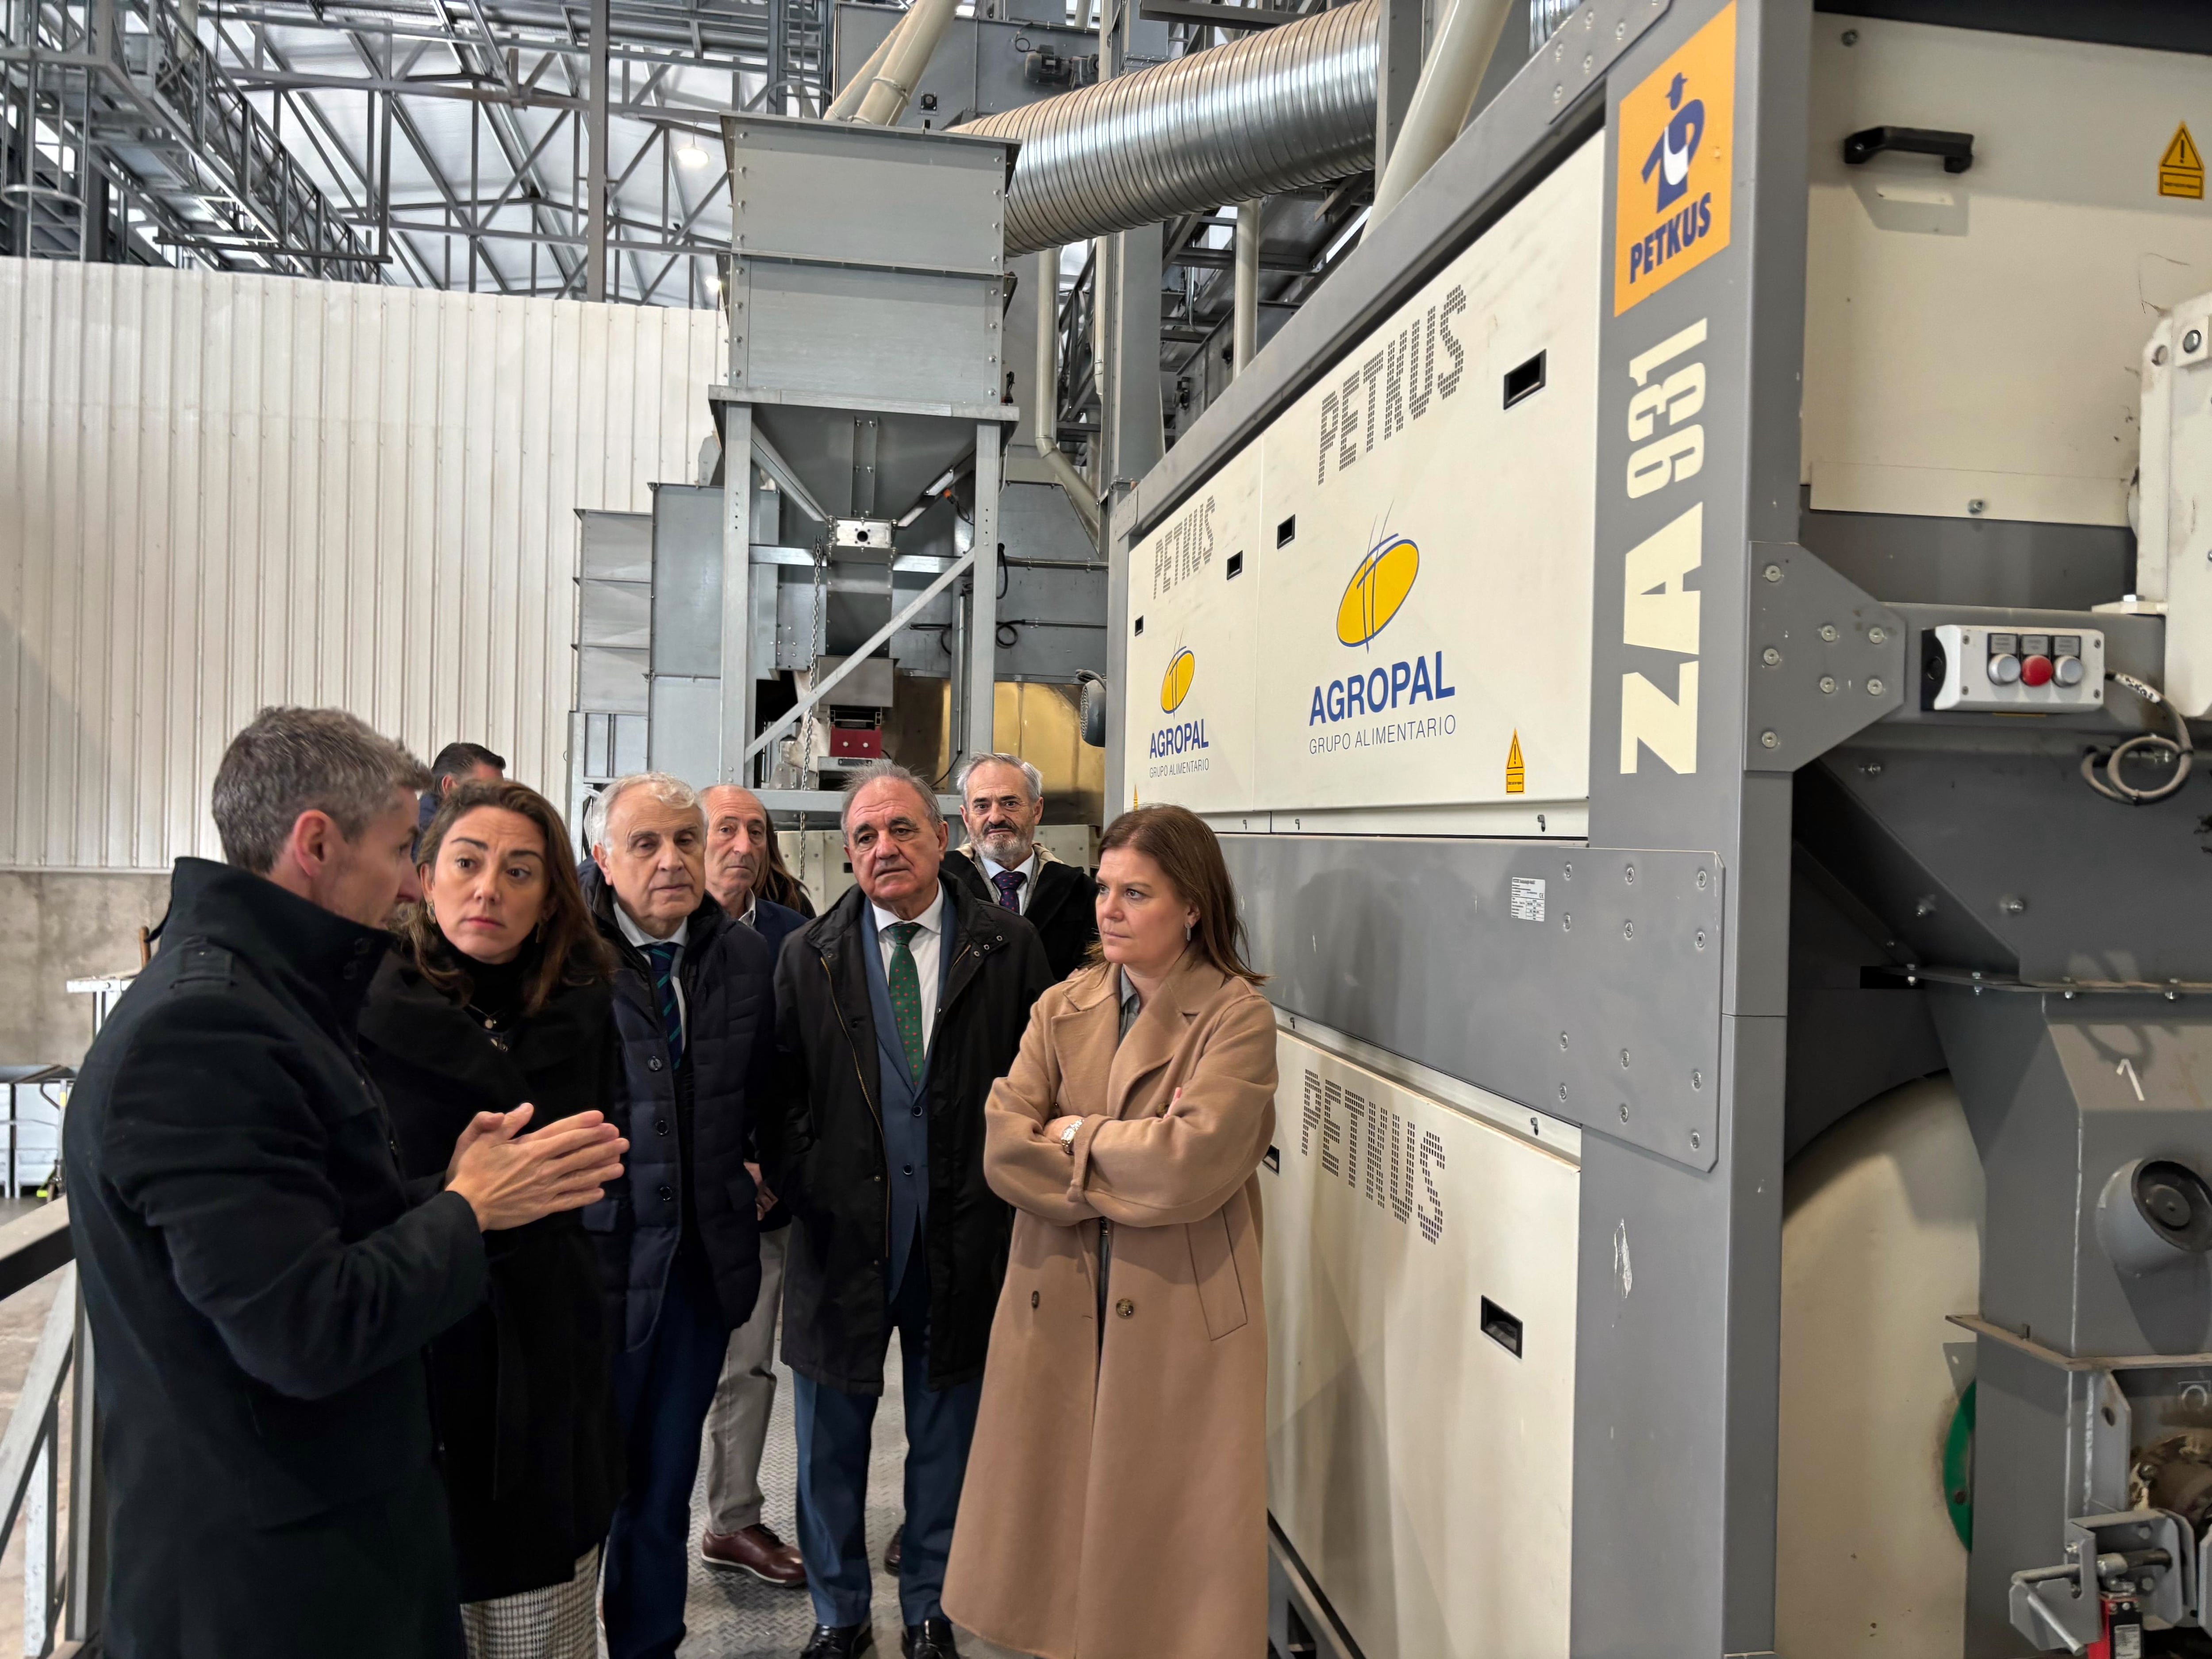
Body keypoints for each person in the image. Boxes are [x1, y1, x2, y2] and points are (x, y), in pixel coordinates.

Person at [64, 706, 627, 1659]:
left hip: (330, 1539)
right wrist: (466, 1209)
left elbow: (308, 1237)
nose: (414, 880)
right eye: (408, 849)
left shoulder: (265, 996)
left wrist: (445, 1191)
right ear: (316, 844)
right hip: (272, 1582)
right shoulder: (206, 1032)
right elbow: (306, 1329)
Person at [942, 803, 1279, 1659]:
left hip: (1178, 1312)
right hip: (1057, 1295)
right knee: (1051, 1525)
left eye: (1138, 893)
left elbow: (1191, 1165)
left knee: (1162, 1538)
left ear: (1193, 905)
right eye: (1104, 889)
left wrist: (1074, 1136)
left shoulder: (1237, 1017)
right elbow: (1003, 1149)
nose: (1109, 910)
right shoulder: (1064, 1004)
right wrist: (1117, 1158)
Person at [764, 760, 1052, 1659]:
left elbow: (1040, 1083)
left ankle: (931, 1607)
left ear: (940, 837)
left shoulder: (1006, 951)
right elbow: (779, 1097)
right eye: (864, 837)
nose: (883, 848)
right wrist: (811, 1182)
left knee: (946, 1439)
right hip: (842, 1242)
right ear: (847, 856)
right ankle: (839, 1613)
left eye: (901, 830)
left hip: (963, 1235)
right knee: (827, 1446)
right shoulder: (805, 957)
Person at [360, 780, 626, 1659]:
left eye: (520, 872)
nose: (490, 890)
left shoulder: (585, 1007)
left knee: (537, 1617)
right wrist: (465, 1195)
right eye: (468, 864)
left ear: (551, 897)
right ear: (425, 878)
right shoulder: (365, 1008)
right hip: (411, 1350)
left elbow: (597, 1162)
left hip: (545, 1354)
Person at [584, 772, 778, 1659]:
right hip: (589, 1282)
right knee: (577, 1497)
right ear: (601, 857)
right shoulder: (562, 959)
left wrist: (771, 1168)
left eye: (686, 842)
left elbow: (773, 1089)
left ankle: (646, 1646)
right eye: (646, 844)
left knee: (661, 1497)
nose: (672, 861)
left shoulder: (740, 958)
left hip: (698, 1278)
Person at [695, 784, 809, 1588]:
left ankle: (733, 1520)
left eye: (756, 830)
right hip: (670, 1193)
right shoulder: (643, 934)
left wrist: (772, 1163)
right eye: (725, 828)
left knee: (749, 1361)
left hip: (763, 1197)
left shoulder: (792, 939)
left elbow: (804, 1069)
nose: (744, 843)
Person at [945, 753, 1096, 981]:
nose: (995, 817)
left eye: (1010, 803)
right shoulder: (940, 884)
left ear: (1037, 810)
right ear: (966, 818)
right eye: (982, 806)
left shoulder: (1080, 893)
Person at [420, 741, 507, 834]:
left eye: (500, 792)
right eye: (485, 791)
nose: (498, 803)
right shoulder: (426, 834)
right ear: (449, 787)